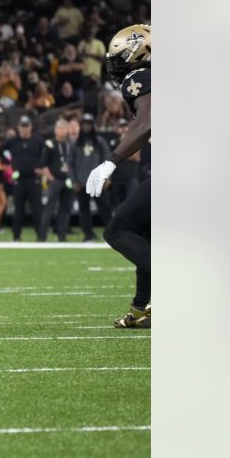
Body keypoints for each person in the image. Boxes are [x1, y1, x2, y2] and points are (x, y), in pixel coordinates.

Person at [87, 24, 151, 328]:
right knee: (145, 233)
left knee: (117, 230)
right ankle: (143, 308)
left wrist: (111, 161)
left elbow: (148, 122)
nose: (116, 62)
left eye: (120, 55)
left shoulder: (140, 76)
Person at [2, 115, 49, 241]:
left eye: (26, 126)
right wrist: (6, 167)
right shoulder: (12, 141)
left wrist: (43, 167)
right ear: (18, 127)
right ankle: (16, 236)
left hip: (34, 179)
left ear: (31, 127)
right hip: (19, 180)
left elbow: (48, 154)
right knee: (18, 210)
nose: (24, 129)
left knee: (37, 209)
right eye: (22, 126)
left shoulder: (38, 141)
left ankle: (41, 236)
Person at [70, 114, 111, 241]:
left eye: (89, 123)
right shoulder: (75, 143)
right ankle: (88, 235)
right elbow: (70, 163)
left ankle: (111, 234)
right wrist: (73, 180)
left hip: (97, 182)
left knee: (104, 208)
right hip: (81, 183)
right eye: (84, 124)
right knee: (84, 210)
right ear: (81, 126)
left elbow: (108, 161)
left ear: (93, 125)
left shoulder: (100, 142)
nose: (86, 126)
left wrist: (107, 178)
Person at [41, 119, 76, 241]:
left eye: (64, 128)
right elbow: (43, 164)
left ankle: (62, 234)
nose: (62, 130)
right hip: (55, 179)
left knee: (66, 208)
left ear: (67, 130)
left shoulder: (71, 144)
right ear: (55, 130)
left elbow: (74, 162)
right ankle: (43, 234)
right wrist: (51, 178)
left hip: (69, 180)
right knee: (50, 207)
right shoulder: (49, 143)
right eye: (59, 128)